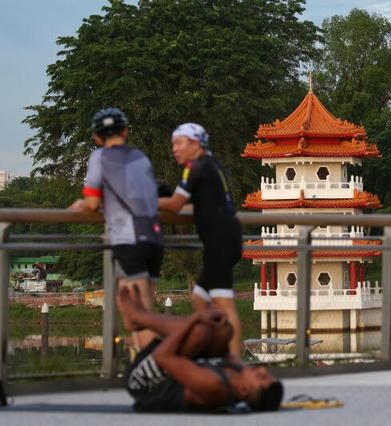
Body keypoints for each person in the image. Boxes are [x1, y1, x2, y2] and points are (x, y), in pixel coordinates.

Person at [70, 107, 163, 347]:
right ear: (125, 131)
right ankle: (150, 366)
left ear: (97, 137)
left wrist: (82, 203)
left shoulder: (99, 157)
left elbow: (91, 202)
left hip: (128, 239)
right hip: (153, 237)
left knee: (137, 313)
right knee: (145, 308)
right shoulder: (141, 157)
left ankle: (157, 371)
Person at [117, 286, 283, 412]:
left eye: (262, 378)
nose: (261, 369)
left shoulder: (213, 385)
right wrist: (218, 317)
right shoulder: (239, 375)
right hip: (172, 369)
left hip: (144, 381)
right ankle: (139, 317)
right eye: (267, 374)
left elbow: (162, 357)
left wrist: (195, 318)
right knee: (224, 330)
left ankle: (137, 317)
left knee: (199, 330)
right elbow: (223, 348)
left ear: (246, 391)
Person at [158, 123, 243, 356]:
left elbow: (175, 204)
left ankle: (234, 364)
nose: (174, 149)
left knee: (225, 305)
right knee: (199, 298)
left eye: (178, 143)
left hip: (219, 241)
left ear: (195, 144)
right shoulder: (212, 164)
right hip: (226, 236)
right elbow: (200, 202)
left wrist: (143, 200)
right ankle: (216, 351)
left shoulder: (194, 167)